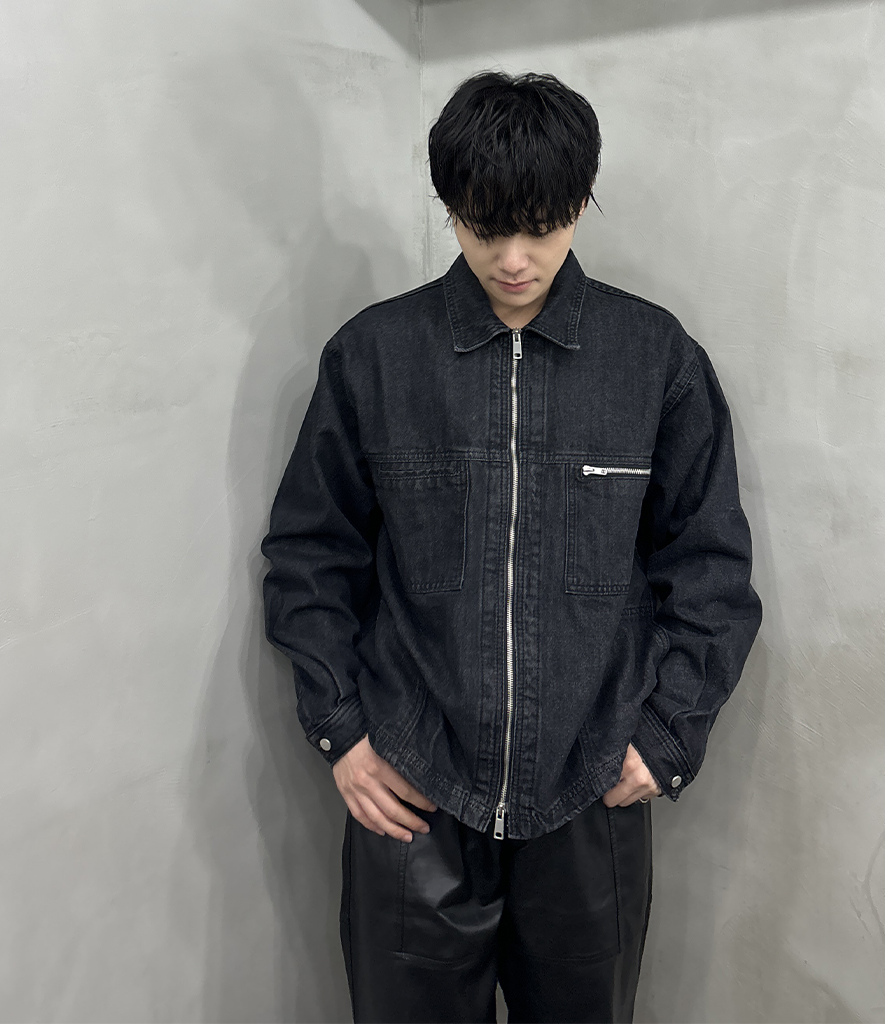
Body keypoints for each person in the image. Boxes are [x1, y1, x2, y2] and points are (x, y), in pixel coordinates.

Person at [260, 70, 762, 1024]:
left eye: (542, 226)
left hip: (588, 800)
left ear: (582, 201)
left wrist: (667, 736)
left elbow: (710, 567)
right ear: (450, 208)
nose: (515, 259)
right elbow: (308, 554)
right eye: (485, 228)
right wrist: (343, 731)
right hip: (412, 798)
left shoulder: (653, 357)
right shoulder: (374, 355)